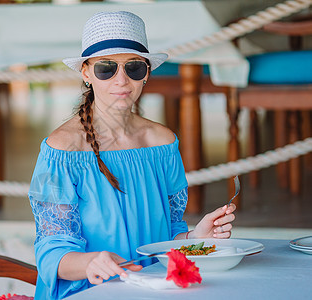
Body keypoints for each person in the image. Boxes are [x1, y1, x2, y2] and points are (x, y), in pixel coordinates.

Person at [28, 11, 236, 300]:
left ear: (147, 73)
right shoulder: (62, 149)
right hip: (88, 292)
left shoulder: (163, 143)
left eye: (134, 68)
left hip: (154, 289)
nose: (121, 80)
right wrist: (90, 262)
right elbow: (52, 254)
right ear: (86, 73)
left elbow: (166, 238)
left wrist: (194, 238)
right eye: (106, 68)